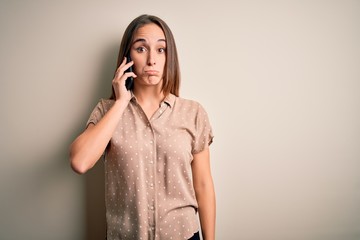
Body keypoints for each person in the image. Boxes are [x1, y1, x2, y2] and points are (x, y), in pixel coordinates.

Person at [69, 14, 215, 240]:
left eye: (161, 50)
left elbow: (204, 186)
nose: (151, 60)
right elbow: (79, 162)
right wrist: (121, 103)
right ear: (127, 57)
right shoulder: (107, 111)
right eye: (141, 48)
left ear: (170, 57)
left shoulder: (193, 113)